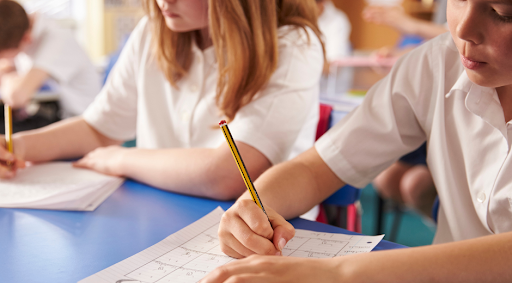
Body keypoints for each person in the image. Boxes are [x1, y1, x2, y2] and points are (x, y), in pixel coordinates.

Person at [181, 0, 512, 283]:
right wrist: (253, 207)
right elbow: (316, 168)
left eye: (502, 13)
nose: (464, 29)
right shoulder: (436, 63)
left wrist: (339, 277)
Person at [0, 0, 324, 202]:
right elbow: (99, 128)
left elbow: (228, 173)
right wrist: (18, 147)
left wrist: (122, 159)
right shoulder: (154, 31)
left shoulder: (293, 46)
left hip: (259, 232)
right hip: (161, 211)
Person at [362, 2, 450, 218]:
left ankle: (457, 235)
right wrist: (404, 57)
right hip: (432, 108)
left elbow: (457, 39)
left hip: (448, 114)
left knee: (415, 184)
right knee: (386, 178)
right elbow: (441, 44)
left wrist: (411, 25)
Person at [0, 0, 101, 131]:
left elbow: (16, 97)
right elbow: (7, 68)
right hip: (52, 112)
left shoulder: (57, 40)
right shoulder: (17, 29)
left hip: (79, 122)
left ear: (26, 39)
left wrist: (8, 78)